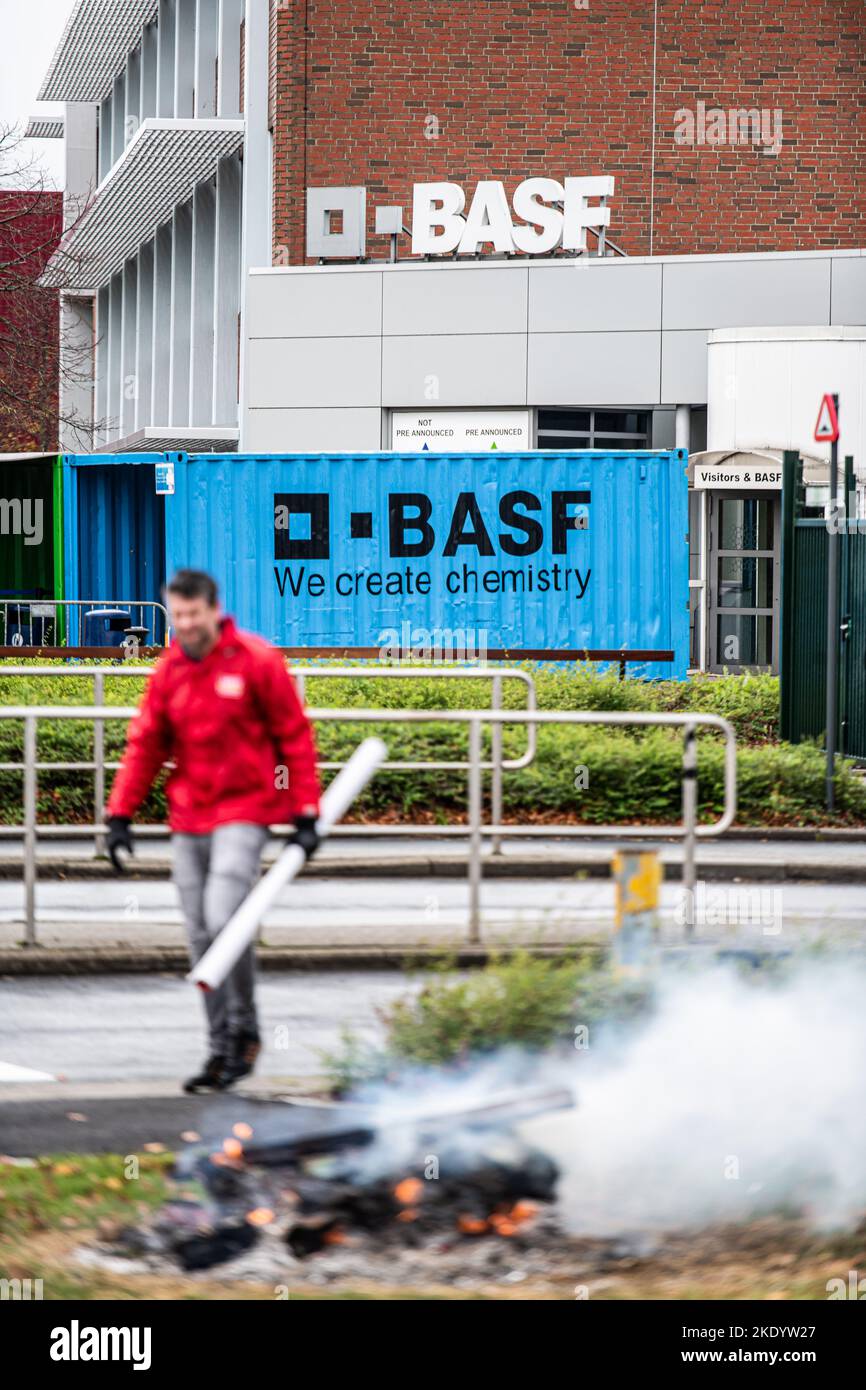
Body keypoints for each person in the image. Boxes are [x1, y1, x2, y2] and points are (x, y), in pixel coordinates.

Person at [104, 569, 321, 1094]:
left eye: (192, 615)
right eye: (176, 616)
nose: (185, 625)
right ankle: (221, 1046)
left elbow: (293, 735)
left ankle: (244, 1029)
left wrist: (305, 811)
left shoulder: (257, 661)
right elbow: (147, 744)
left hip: (244, 811)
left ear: (213, 608)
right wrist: (119, 814)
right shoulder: (170, 671)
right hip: (190, 816)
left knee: (225, 918)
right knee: (201, 934)